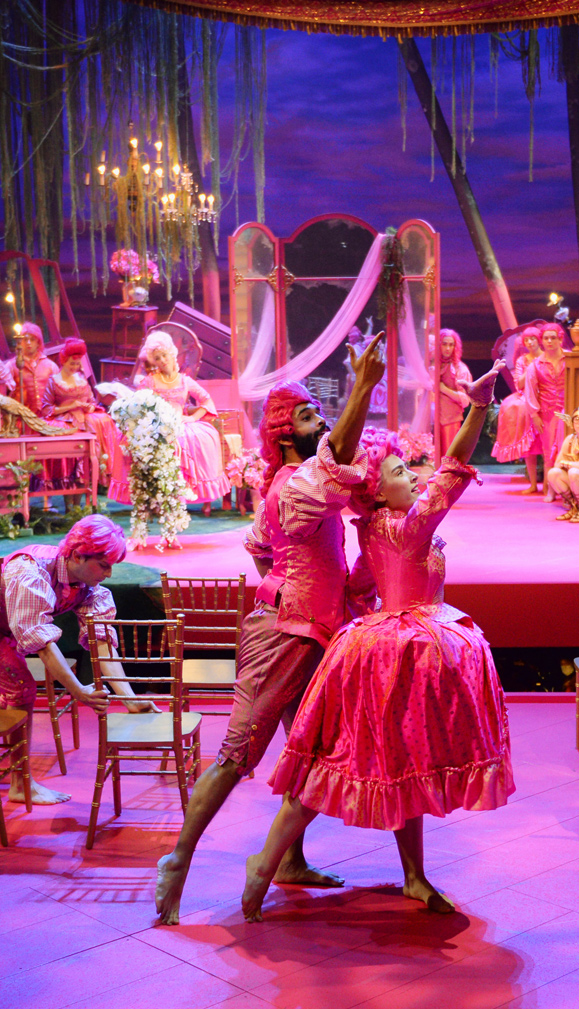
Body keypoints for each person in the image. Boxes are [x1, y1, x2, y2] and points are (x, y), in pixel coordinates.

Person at [243, 360, 512, 922]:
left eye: (407, 467)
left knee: (396, 765)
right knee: (344, 764)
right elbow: (453, 469)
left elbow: (361, 582)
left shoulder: (374, 531)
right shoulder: (409, 524)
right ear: (375, 489)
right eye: (399, 469)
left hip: (387, 650)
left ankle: (409, 875)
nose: (413, 474)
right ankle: (267, 861)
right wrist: (479, 408)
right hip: (403, 654)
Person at [154, 334, 388, 926]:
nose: (321, 421)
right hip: (285, 637)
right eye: (309, 415)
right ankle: (177, 859)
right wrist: (363, 384)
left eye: (319, 409)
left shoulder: (294, 486)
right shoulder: (301, 482)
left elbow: (261, 548)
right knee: (237, 757)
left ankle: (288, 861)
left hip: (314, 633)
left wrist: (284, 581)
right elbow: (338, 455)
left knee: (308, 754)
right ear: (286, 434)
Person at [0, 515, 154, 805]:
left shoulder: (84, 585)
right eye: (104, 565)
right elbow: (42, 643)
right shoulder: (31, 572)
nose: (108, 574)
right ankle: (21, 785)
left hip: (4, 624)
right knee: (21, 690)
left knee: (11, 695)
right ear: (76, 555)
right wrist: (78, 689)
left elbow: (101, 641)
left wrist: (129, 698)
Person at [111, 330, 231, 510]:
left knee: (200, 439)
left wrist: (192, 417)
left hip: (180, 423)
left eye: (165, 355)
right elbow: (137, 405)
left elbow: (206, 400)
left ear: (172, 353)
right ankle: (156, 495)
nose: (163, 360)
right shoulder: (149, 382)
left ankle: (178, 497)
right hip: (156, 426)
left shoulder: (184, 381)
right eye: (158, 358)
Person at [40, 338, 119, 507]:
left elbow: (91, 401)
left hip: (84, 423)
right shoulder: (54, 381)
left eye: (77, 364)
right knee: (70, 464)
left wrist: (90, 408)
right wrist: (69, 406)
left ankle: (80, 506)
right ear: (63, 361)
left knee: (85, 462)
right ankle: (69, 505)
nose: (75, 367)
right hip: (65, 423)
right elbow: (46, 409)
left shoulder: (82, 379)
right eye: (71, 364)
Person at [492, 326, 544, 492]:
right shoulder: (522, 360)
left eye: (533, 339)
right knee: (530, 448)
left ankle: (549, 486)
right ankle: (533, 484)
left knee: (547, 444)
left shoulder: (545, 357)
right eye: (527, 340)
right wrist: (531, 367)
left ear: (539, 340)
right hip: (525, 397)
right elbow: (519, 384)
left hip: (545, 398)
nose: (530, 342)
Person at [524, 322, 569, 500]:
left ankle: (568, 490)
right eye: (546, 338)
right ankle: (550, 489)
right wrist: (534, 415)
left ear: (560, 339)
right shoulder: (536, 364)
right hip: (548, 413)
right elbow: (529, 391)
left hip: (568, 413)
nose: (549, 341)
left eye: (553, 338)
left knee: (568, 451)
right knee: (549, 451)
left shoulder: (571, 358)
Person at [0, 322, 58, 413]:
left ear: (38, 342)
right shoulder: (11, 365)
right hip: (22, 419)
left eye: (32, 339)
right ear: (20, 342)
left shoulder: (50, 366)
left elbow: (59, 392)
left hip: (47, 419)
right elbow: (3, 393)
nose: (28, 343)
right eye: (25, 339)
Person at [435, 328, 472, 454]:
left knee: (449, 456)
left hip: (450, 419)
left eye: (451, 345)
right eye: (444, 344)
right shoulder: (433, 365)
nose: (447, 348)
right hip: (432, 418)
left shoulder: (459, 368)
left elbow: (465, 399)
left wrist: (444, 389)